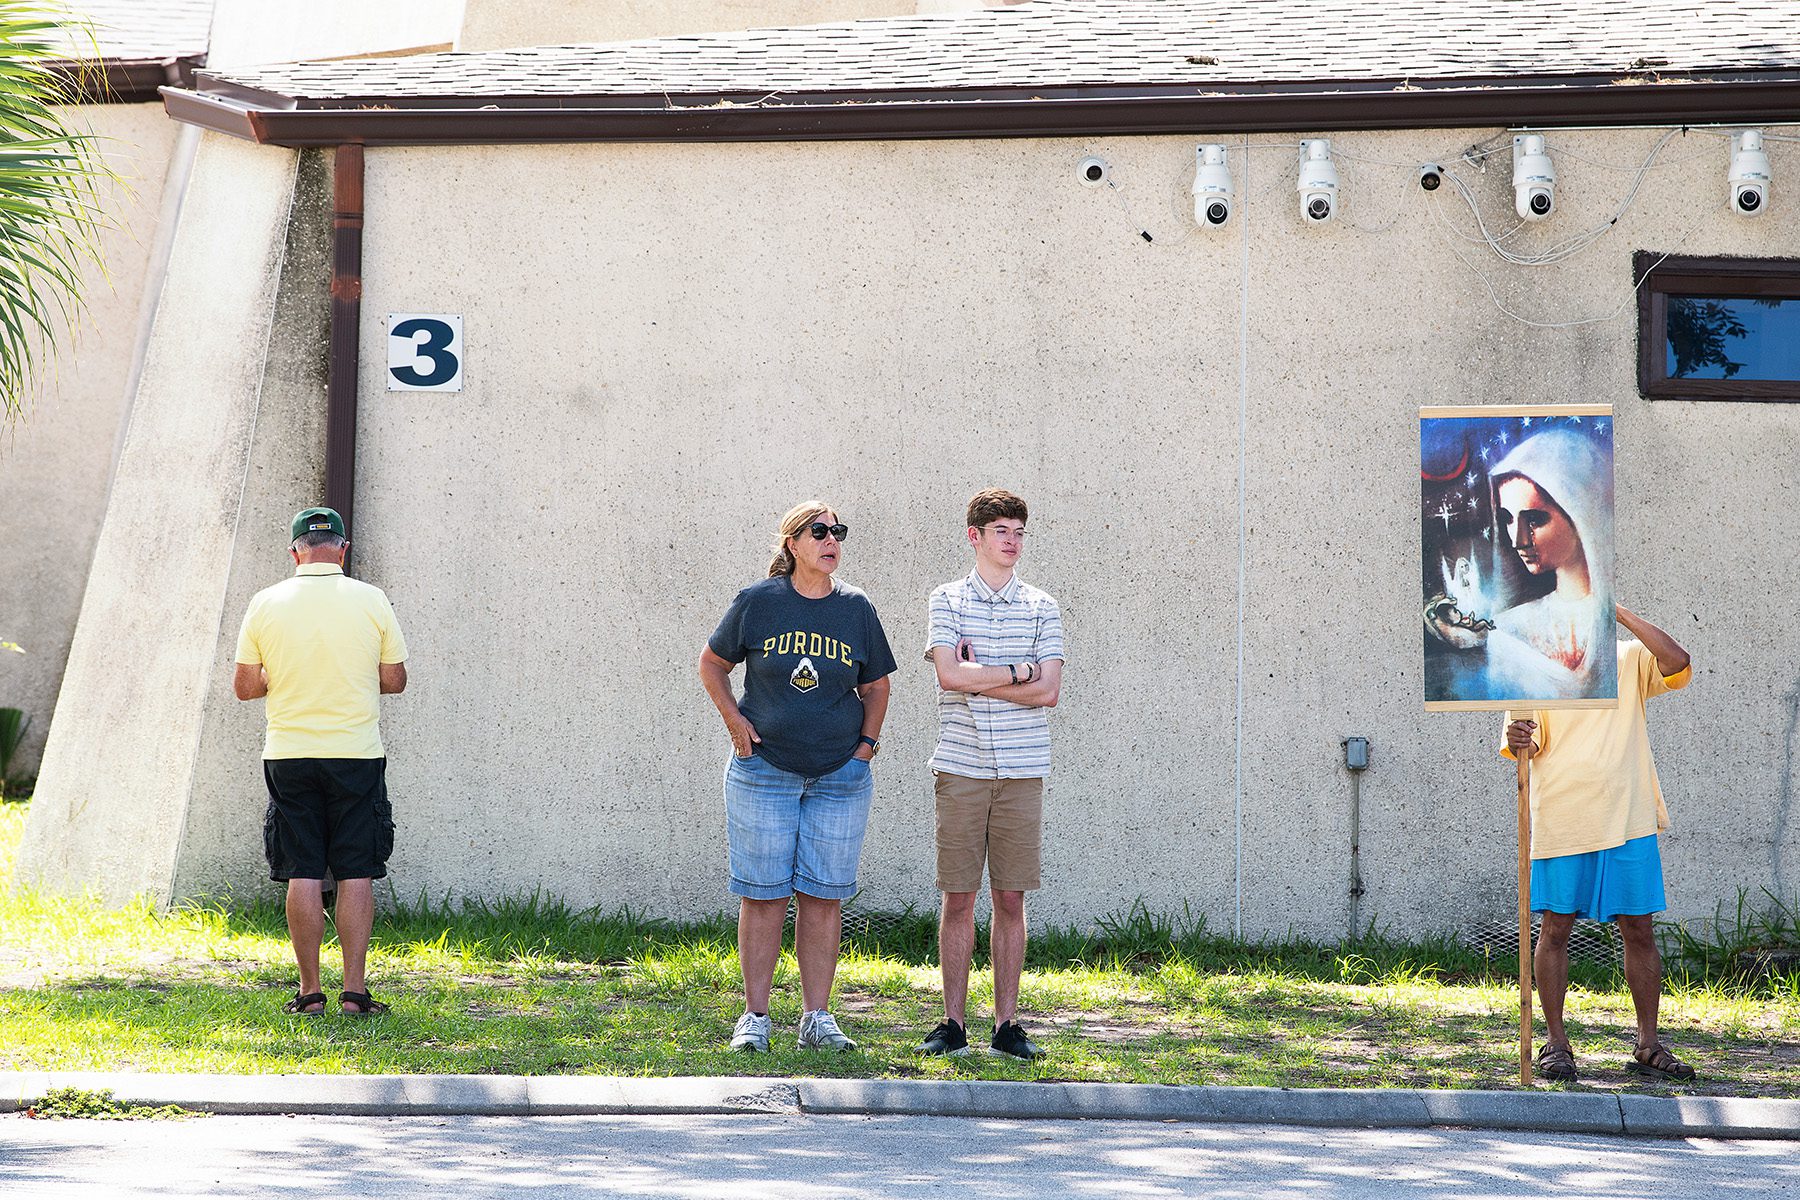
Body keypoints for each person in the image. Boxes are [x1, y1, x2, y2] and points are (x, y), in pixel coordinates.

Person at [698, 501, 896, 1052]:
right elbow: (712, 664)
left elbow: (876, 685)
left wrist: (865, 750)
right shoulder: (759, 603)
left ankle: (817, 1018)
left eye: (838, 532)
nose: (831, 540)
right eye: (820, 532)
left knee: (822, 895)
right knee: (762, 895)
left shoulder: (855, 608)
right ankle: (755, 1018)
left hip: (839, 776)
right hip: (764, 771)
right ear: (793, 543)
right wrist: (735, 721)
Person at [1503, 603, 1694, 1083]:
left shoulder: (1627, 659)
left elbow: (1677, 660)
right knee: (1555, 929)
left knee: (1639, 930)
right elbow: (1523, 742)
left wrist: (1619, 612)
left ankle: (1649, 1044)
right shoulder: (1531, 667)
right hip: (1563, 816)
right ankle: (1556, 1044)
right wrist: (1516, 734)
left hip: (1627, 817)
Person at [233, 507, 408, 1016]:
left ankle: (309, 993)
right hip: (355, 753)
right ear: (343, 548)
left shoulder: (265, 603)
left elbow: (245, 687)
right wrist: (350, 676)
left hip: (289, 754)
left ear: (295, 552)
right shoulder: (371, 600)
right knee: (356, 871)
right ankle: (355, 993)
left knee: (303, 871)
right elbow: (395, 679)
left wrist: (288, 677)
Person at [916, 489, 1064, 1060]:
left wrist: (986, 673)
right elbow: (950, 677)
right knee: (959, 896)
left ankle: (1007, 1025)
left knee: (1010, 898)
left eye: (1019, 530)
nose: (1012, 540)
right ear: (974, 535)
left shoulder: (1041, 606)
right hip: (962, 764)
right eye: (1001, 529)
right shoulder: (948, 600)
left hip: (1023, 768)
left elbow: (1048, 691)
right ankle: (953, 1022)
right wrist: (1017, 673)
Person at [1486, 429, 1614, 700]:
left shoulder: (1615, 621)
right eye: (1509, 518)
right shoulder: (1507, 631)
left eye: (1534, 519)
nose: (1518, 541)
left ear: (1580, 514)